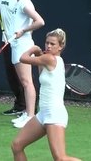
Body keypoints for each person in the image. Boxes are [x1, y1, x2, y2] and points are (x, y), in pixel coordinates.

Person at [11, 28, 82, 161]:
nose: (48, 46)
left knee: (60, 158)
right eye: (47, 43)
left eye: (52, 44)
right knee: (17, 145)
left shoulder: (49, 59)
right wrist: (38, 53)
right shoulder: (51, 60)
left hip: (54, 114)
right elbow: (41, 74)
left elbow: (23, 58)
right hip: (43, 114)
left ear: (61, 47)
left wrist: (32, 49)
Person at [7, 0, 45, 128]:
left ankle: (30, 117)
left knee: (27, 82)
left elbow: (40, 21)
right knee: (24, 82)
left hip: (23, 46)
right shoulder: (19, 2)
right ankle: (27, 113)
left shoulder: (24, 2)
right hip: (17, 45)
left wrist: (23, 31)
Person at [0, 0, 26, 116]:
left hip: (19, 42)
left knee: (24, 77)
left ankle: (31, 108)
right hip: (6, 41)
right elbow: (6, 17)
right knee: (11, 76)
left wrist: (19, 35)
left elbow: (26, 19)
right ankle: (20, 105)